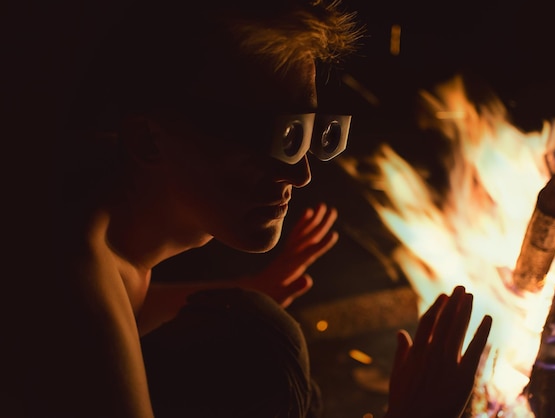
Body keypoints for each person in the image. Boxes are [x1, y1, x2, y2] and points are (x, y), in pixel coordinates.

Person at [9, 0, 492, 417]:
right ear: (149, 141)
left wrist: (245, 288)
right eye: (277, 138)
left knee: (252, 319)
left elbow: (127, 306)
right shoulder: (72, 274)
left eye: (306, 133)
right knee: (262, 356)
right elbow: (96, 324)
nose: (300, 174)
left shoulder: (102, 191)